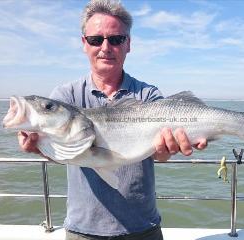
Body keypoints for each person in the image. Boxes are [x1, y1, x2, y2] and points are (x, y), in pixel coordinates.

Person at [18, 0, 207, 239]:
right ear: (84, 44)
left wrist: (171, 148)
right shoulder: (66, 96)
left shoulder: (147, 95)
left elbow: (159, 154)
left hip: (143, 228)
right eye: (96, 39)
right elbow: (64, 151)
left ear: (128, 44)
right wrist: (38, 146)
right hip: (82, 230)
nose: (105, 47)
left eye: (116, 39)